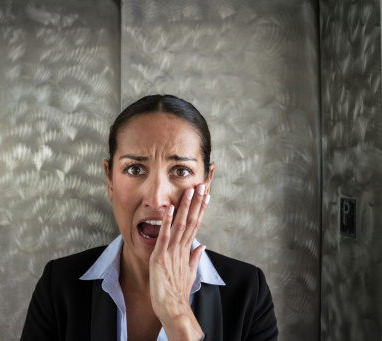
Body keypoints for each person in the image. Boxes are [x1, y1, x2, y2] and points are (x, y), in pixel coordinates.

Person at [21, 95, 278, 341]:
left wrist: (178, 315)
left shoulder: (248, 293)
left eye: (181, 170)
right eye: (135, 169)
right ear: (109, 180)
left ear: (207, 183)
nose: (156, 200)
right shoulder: (58, 286)